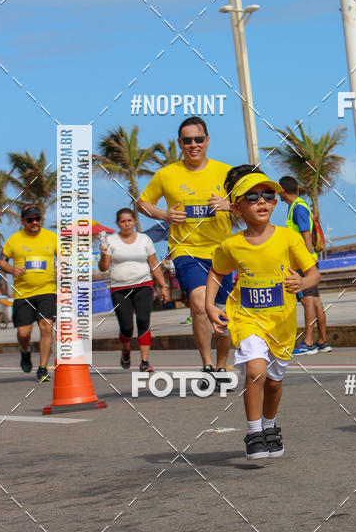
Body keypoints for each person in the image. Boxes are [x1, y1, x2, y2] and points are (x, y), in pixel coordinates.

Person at [206, 165, 320, 460]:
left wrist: (303, 282)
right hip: (246, 319)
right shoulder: (231, 245)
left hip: (281, 322)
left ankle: (269, 426)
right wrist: (209, 305)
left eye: (268, 196)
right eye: (252, 197)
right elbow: (217, 272)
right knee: (255, 371)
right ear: (236, 208)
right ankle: (254, 432)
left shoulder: (288, 239)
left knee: (274, 381)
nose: (261, 202)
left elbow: (313, 273)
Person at [137, 117, 233, 377]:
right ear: (180, 143)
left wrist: (228, 206)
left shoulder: (226, 172)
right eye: (187, 140)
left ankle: (222, 365)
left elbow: (250, 204)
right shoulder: (166, 174)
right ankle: (207, 364)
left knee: (222, 311)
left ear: (207, 141)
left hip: (222, 252)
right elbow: (142, 203)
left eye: (198, 139)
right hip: (187, 251)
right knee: (199, 304)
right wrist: (165, 215)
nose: (193, 145)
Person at [98, 208, 169, 371]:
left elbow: (154, 263)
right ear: (118, 223)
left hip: (144, 285)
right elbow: (103, 268)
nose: (127, 224)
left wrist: (163, 286)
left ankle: (144, 361)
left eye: (129, 221)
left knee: (143, 321)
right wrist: (103, 255)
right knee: (127, 327)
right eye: (123, 221)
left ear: (134, 222)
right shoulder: (111, 241)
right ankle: (126, 349)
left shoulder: (144, 239)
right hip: (119, 288)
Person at [0, 204, 57, 381]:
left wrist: (61, 267)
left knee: (46, 326)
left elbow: (66, 257)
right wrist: (11, 269)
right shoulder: (13, 240)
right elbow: (1, 261)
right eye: (30, 220)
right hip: (23, 293)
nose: (34, 222)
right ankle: (25, 351)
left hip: (47, 290)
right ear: (23, 221)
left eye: (37, 218)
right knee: (24, 334)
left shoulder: (52, 237)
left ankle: (43, 368)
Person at [278, 175, 331, 355]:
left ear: (283, 190)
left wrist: (307, 261)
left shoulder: (298, 208)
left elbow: (306, 234)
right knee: (315, 300)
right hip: (307, 260)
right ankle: (322, 341)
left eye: (279, 191)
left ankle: (308, 342)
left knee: (308, 300)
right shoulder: (298, 205)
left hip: (305, 261)